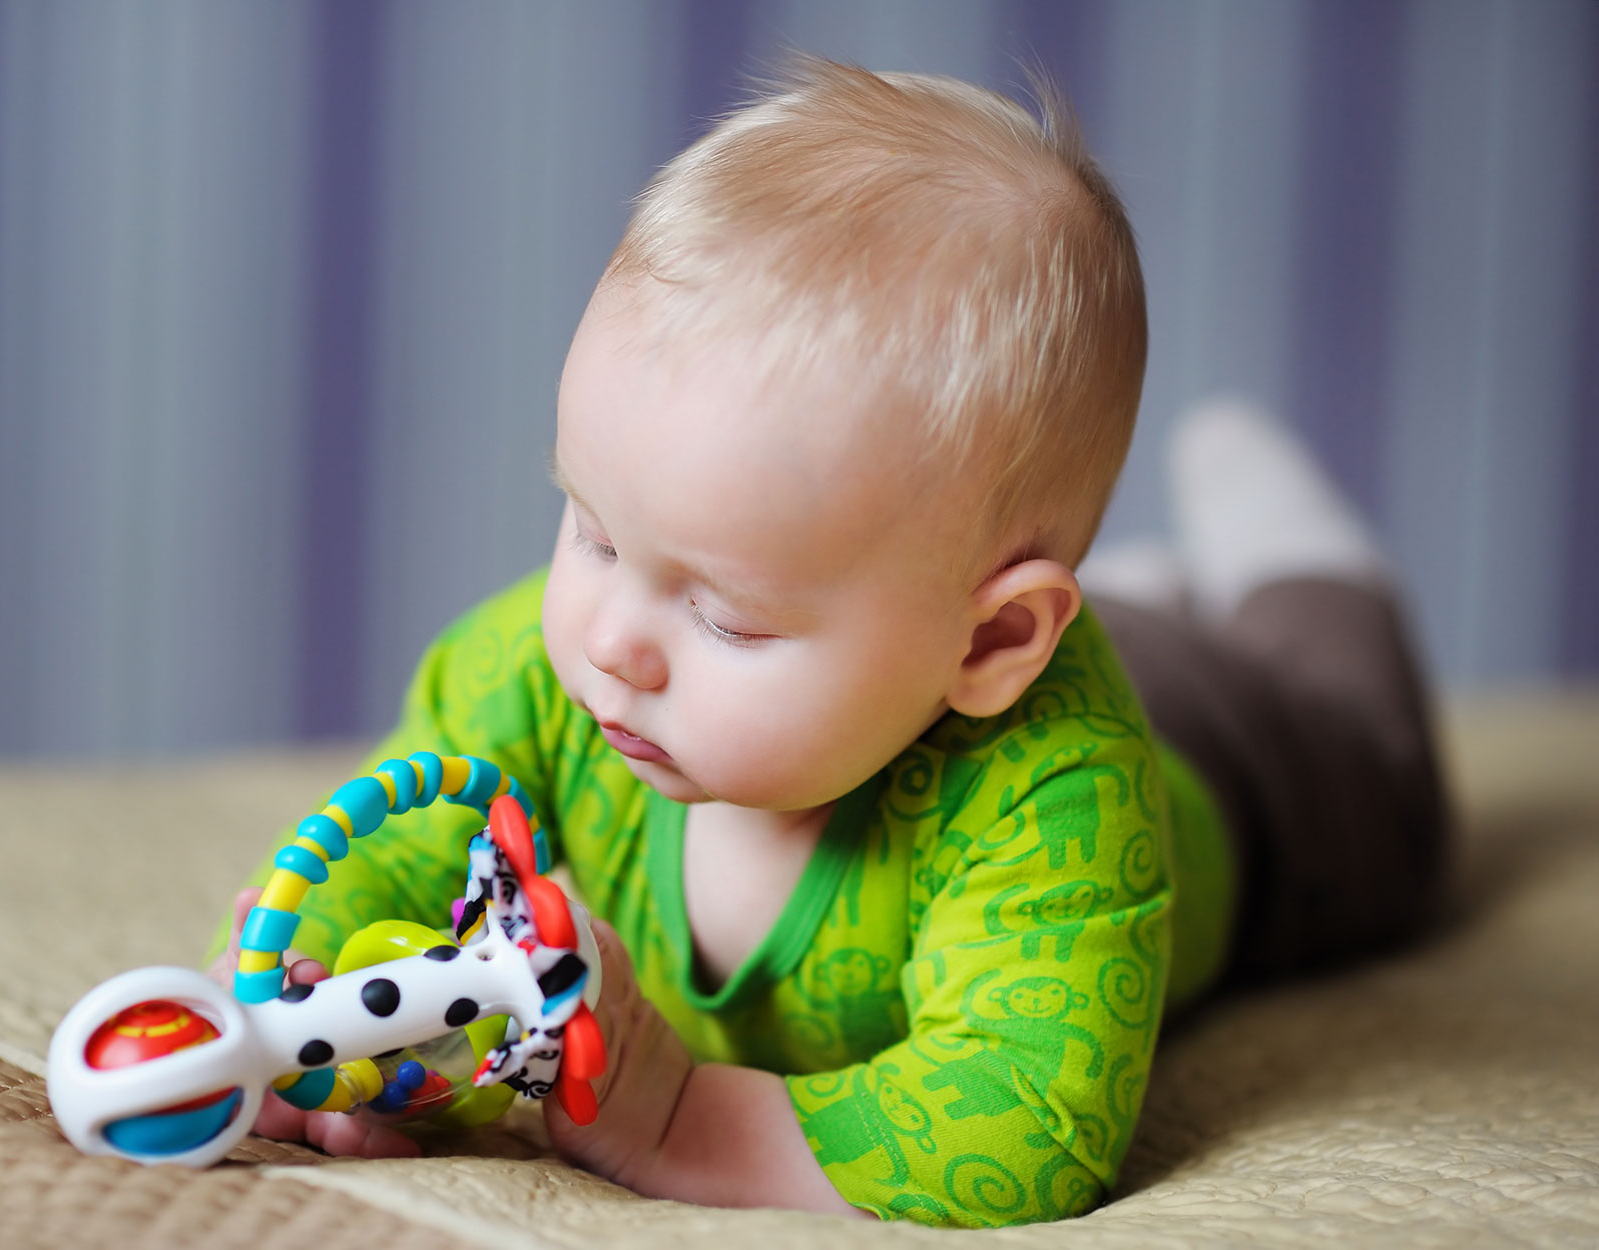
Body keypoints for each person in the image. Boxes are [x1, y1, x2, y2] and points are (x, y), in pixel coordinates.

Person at [211, 57, 1448, 1228]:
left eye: (725, 614)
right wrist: (290, 1007)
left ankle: (1301, 560)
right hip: (988, 631)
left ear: (994, 641)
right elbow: (400, 840)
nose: (610, 641)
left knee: (1371, 763)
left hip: (1242, 763)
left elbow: (1026, 1120)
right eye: (591, 529)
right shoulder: (538, 673)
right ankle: (1144, 584)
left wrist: (682, 1111)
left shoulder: (1060, 794)